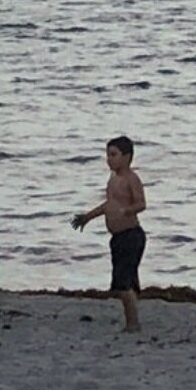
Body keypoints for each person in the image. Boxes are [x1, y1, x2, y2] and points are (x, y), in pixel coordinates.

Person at [71, 135, 147, 333]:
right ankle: (132, 319)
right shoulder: (113, 180)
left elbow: (141, 203)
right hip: (118, 237)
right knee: (122, 283)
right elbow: (108, 205)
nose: (109, 159)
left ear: (127, 157)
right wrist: (87, 217)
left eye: (113, 155)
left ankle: (133, 324)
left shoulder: (132, 178)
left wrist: (126, 211)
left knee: (124, 283)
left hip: (131, 235)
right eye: (107, 155)